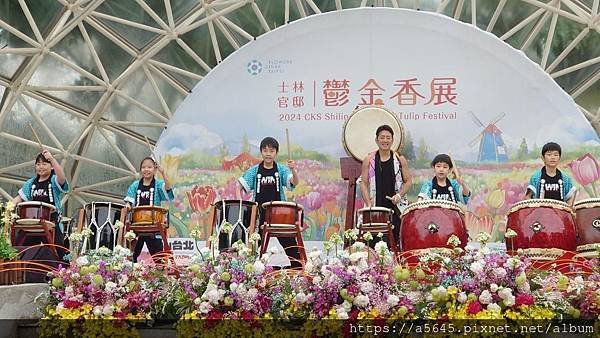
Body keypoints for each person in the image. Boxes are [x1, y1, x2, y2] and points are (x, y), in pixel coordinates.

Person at [238, 137, 300, 268]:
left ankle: (297, 266)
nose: (268, 153)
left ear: (276, 153)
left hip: (278, 213)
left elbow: (294, 182)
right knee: (255, 243)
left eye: (271, 151)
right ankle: (249, 268)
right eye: (265, 150)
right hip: (260, 213)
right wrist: (240, 203)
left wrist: (293, 169)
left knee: (288, 241)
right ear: (261, 152)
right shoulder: (255, 170)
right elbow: (239, 186)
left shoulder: (282, 170)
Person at [360, 124, 412, 245]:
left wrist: (399, 195)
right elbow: (363, 183)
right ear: (376, 140)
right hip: (376, 208)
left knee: (396, 242)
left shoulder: (399, 159)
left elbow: (408, 181)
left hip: (395, 207)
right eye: (382, 137)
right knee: (373, 243)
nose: (385, 140)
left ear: (392, 140)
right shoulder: (369, 160)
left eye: (388, 138)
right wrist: (368, 203)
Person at [12, 150, 69, 248]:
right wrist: (7, 207)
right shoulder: (31, 183)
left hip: (51, 224)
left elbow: (62, 178)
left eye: (44, 164)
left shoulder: (53, 180)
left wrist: (52, 159)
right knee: (21, 247)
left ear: (51, 167)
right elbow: (20, 198)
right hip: (32, 223)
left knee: (57, 250)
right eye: (38, 164)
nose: (41, 166)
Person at [124, 157, 174, 262]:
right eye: (143, 167)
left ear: (154, 170)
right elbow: (130, 199)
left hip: (154, 223)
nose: (146, 169)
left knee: (159, 257)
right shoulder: (135, 185)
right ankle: (131, 271)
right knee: (131, 254)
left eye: (149, 167)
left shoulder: (159, 184)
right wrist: (128, 205)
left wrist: (163, 173)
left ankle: (160, 271)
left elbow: (168, 188)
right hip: (137, 224)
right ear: (140, 169)